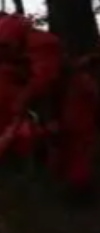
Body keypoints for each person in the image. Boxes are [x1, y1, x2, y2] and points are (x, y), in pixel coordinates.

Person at [49, 53, 99, 203]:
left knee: (72, 156)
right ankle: (80, 193)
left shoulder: (70, 81)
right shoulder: (85, 81)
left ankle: (72, 189)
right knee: (80, 157)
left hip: (69, 122)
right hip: (81, 124)